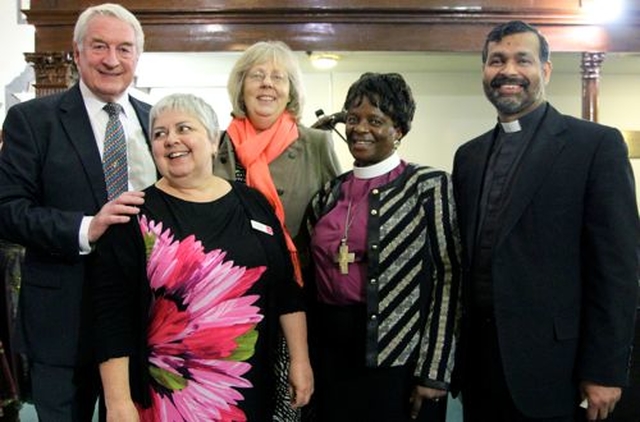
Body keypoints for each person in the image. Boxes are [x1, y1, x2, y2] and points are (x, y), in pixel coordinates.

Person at [452, 20, 639, 422]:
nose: (509, 71)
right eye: (496, 61)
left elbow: (618, 269)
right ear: (484, 71)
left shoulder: (595, 146)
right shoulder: (467, 157)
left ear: (546, 70)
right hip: (481, 367)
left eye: (523, 60)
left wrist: (605, 370)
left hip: (557, 367)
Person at [90, 93, 314, 422]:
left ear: (214, 140)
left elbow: (285, 289)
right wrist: (118, 402)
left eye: (184, 128)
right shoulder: (132, 215)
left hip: (246, 388)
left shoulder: (253, 203)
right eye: (159, 134)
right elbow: (111, 317)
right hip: (165, 395)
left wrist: (300, 359)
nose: (171, 141)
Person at [0, 3, 156, 421]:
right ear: (76, 51)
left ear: (137, 56)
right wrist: (87, 228)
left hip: (143, 324)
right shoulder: (32, 121)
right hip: (65, 323)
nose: (111, 59)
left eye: (124, 49)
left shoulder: (155, 121)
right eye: (99, 46)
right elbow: (8, 209)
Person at [305, 72, 462, 422]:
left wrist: (434, 369)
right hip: (329, 355)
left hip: (397, 358)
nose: (360, 128)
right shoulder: (328, 194)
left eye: (375, 120)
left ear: (399, 131)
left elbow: (450, 281)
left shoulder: (428, 187)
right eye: (353, 118)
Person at [213, 40, 341, 420]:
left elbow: (335, 223)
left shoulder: (316, 144)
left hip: (297, 300)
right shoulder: (219, 143)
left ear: (291, 91)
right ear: (241, 86)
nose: (267, 84)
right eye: (257, 76)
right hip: (231, 301)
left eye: (278, 77)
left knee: (290, 402)